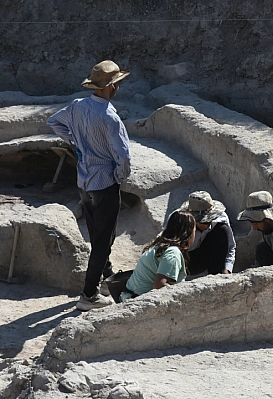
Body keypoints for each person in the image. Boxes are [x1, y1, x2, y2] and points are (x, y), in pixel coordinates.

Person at [47, 60, 131, 311]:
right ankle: (89, 293)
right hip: (104, 183)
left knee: (97, 234)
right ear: (113, 86)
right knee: (105, 239)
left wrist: (75, 142)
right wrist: (120, 176)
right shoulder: (109, 117)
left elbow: (54, 121)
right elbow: (123, 157)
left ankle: (106, 278)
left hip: (84, 181)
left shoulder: (77, 106)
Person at [121, 211, 196, 302]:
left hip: (129, 297)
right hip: (140, 302)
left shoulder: (159, 246)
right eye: (194, 231)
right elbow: (159, 286)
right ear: (188, 233)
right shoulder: (173, 253)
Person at [174, 191, 236, 275]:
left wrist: (227, 269)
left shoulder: (221, 218)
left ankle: (216, 276)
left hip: (205, 254)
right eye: (203, 222)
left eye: (209, 221)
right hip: (184, 259)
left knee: (222, 230)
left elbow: (230, 246)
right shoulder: (177, 219)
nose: (206, 226)